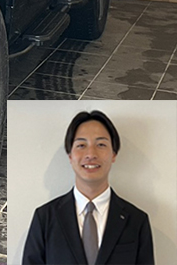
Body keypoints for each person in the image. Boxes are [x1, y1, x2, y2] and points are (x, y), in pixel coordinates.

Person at [22, 110, 155, 265]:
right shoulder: (45, 218)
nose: (91, 154)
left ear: (113, 154)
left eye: (101, 144)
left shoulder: (137, 221)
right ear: (70, 155)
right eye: (81, 145)